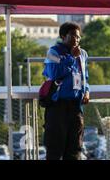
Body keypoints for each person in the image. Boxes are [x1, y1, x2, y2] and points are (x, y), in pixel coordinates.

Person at [42, 22, 90, 160]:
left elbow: (85, 76)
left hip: (75, 106)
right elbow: (55, 73)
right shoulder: (53, 52)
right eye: (73, 36)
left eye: (78, 37)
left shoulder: (83, 54)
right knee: (55, 148)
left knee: (75, 149)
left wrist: (87, 90)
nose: (76, 40)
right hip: (57, 106)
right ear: (63, 36)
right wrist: (71, 58)